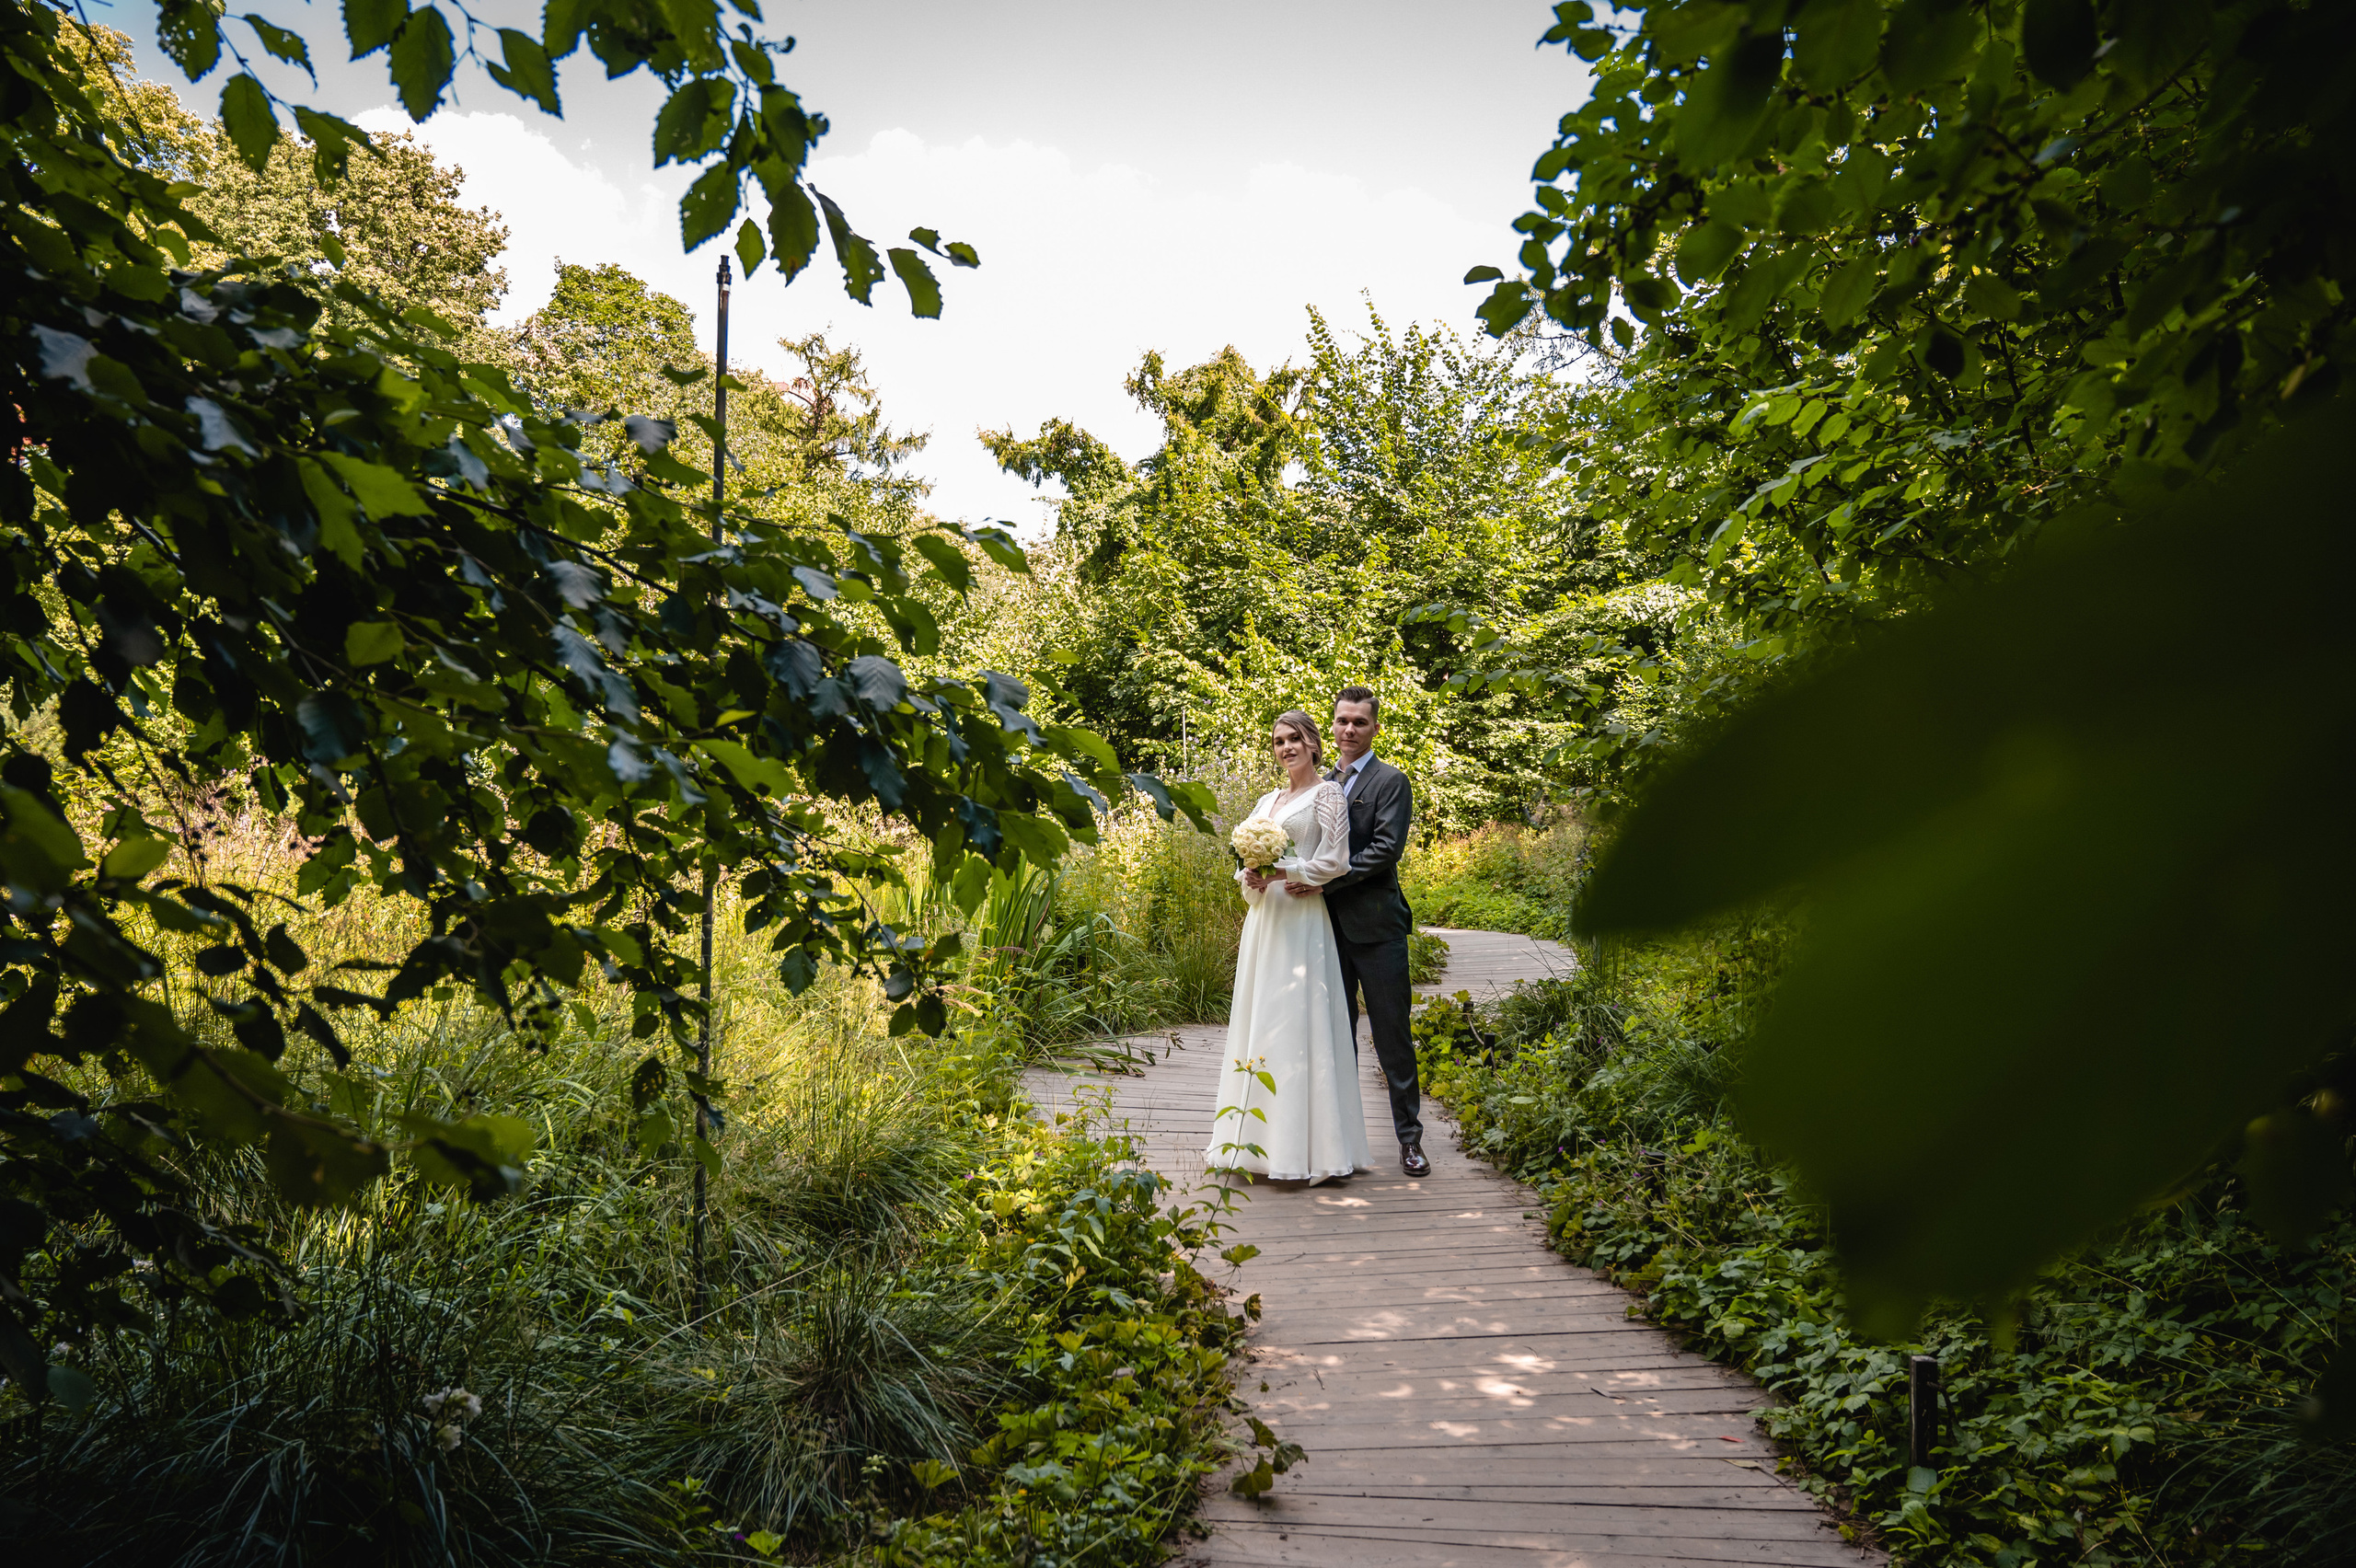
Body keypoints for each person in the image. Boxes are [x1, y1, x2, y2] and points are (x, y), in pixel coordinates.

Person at [1202, 710, 1371, 1184]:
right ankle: (1251, 1146)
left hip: (1300, 919)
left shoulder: (1329, 794)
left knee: (1298, 1021)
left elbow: (1336, 860)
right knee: (1261, 1021)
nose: (1286, 748)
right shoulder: (1267, 799)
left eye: (1295, 739)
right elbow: (1247, 863)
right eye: (1278, 741)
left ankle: (1308, 1149)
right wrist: (1251, 876)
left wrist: (1289, 873)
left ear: (1315, 744)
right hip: (1265, 920)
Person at [1305, 685, 1427, 1177]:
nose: (1349, 729)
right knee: (1337, 1038)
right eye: (1342, 721)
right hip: (1323, 929)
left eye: (1359, 722)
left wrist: (1323, 878)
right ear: (1331, 728)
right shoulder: (1320, 782)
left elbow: (1385, 850)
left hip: (1377, 930)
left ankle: (1410, 1142)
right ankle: (1341, 1144)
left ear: (1375, 727)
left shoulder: (1390, 781)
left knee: (1392, 1037)